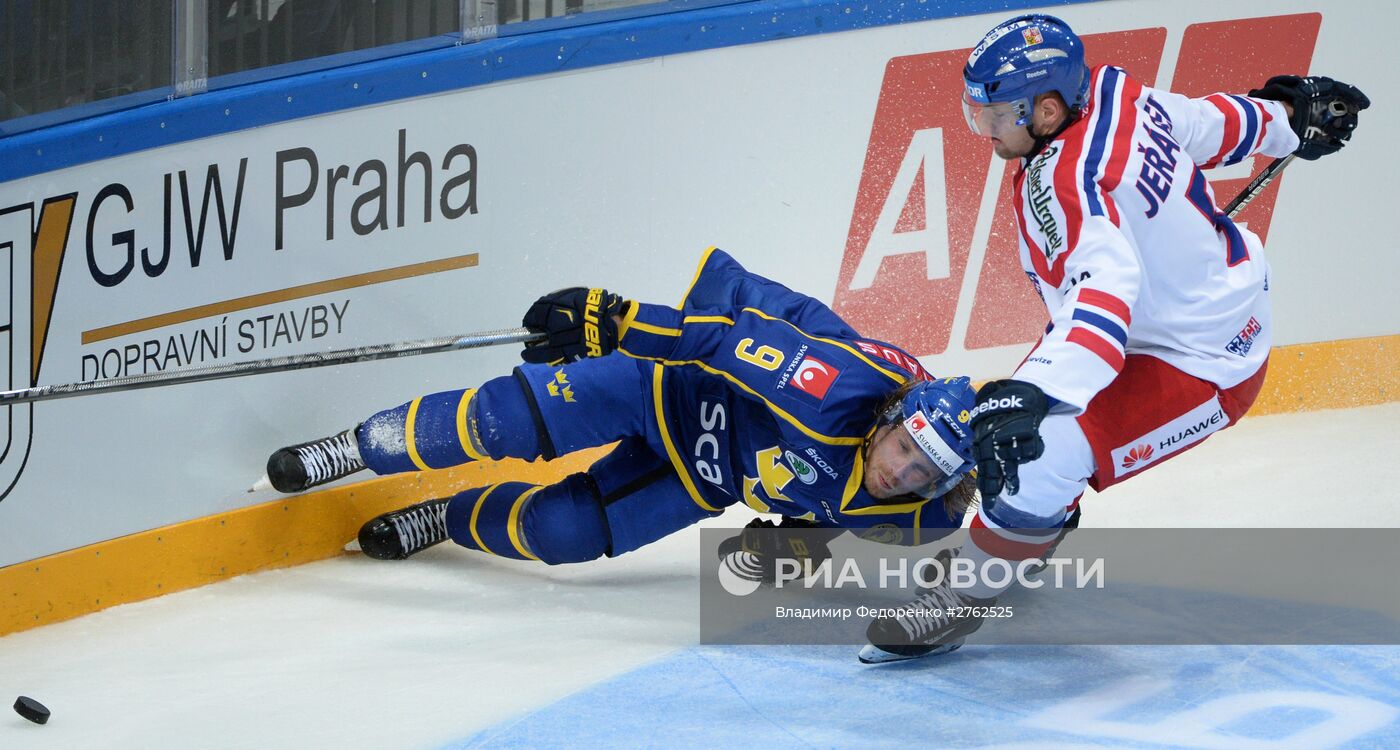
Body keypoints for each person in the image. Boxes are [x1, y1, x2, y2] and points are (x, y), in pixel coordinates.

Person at [860, 13, 1369, 663]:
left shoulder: (1065, 183)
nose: (986, 132)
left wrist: (1034, 392)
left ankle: (967, 595)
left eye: (996, 116)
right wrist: (1285, 119)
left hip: (1205, 361)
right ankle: (1038, 525)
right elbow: (1199, 125)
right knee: (1026, 424)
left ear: (1046, 109)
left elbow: (1107, 293)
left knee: (1032, 452)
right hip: (1193, 311)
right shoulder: (1108, 92)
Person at [259, 247, 981, 573]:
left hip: (705, 476)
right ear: (890, 418)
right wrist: (618, 320)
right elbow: (722, 341)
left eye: (922, 472)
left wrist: (796, 543)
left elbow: (844, 518)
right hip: (669, 385)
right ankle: (356, 448)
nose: (901, 473)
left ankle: (441, 518)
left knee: (566, 533)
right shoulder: (834, 388)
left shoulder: (929, 514)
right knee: (504, 422)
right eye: (904, 449)